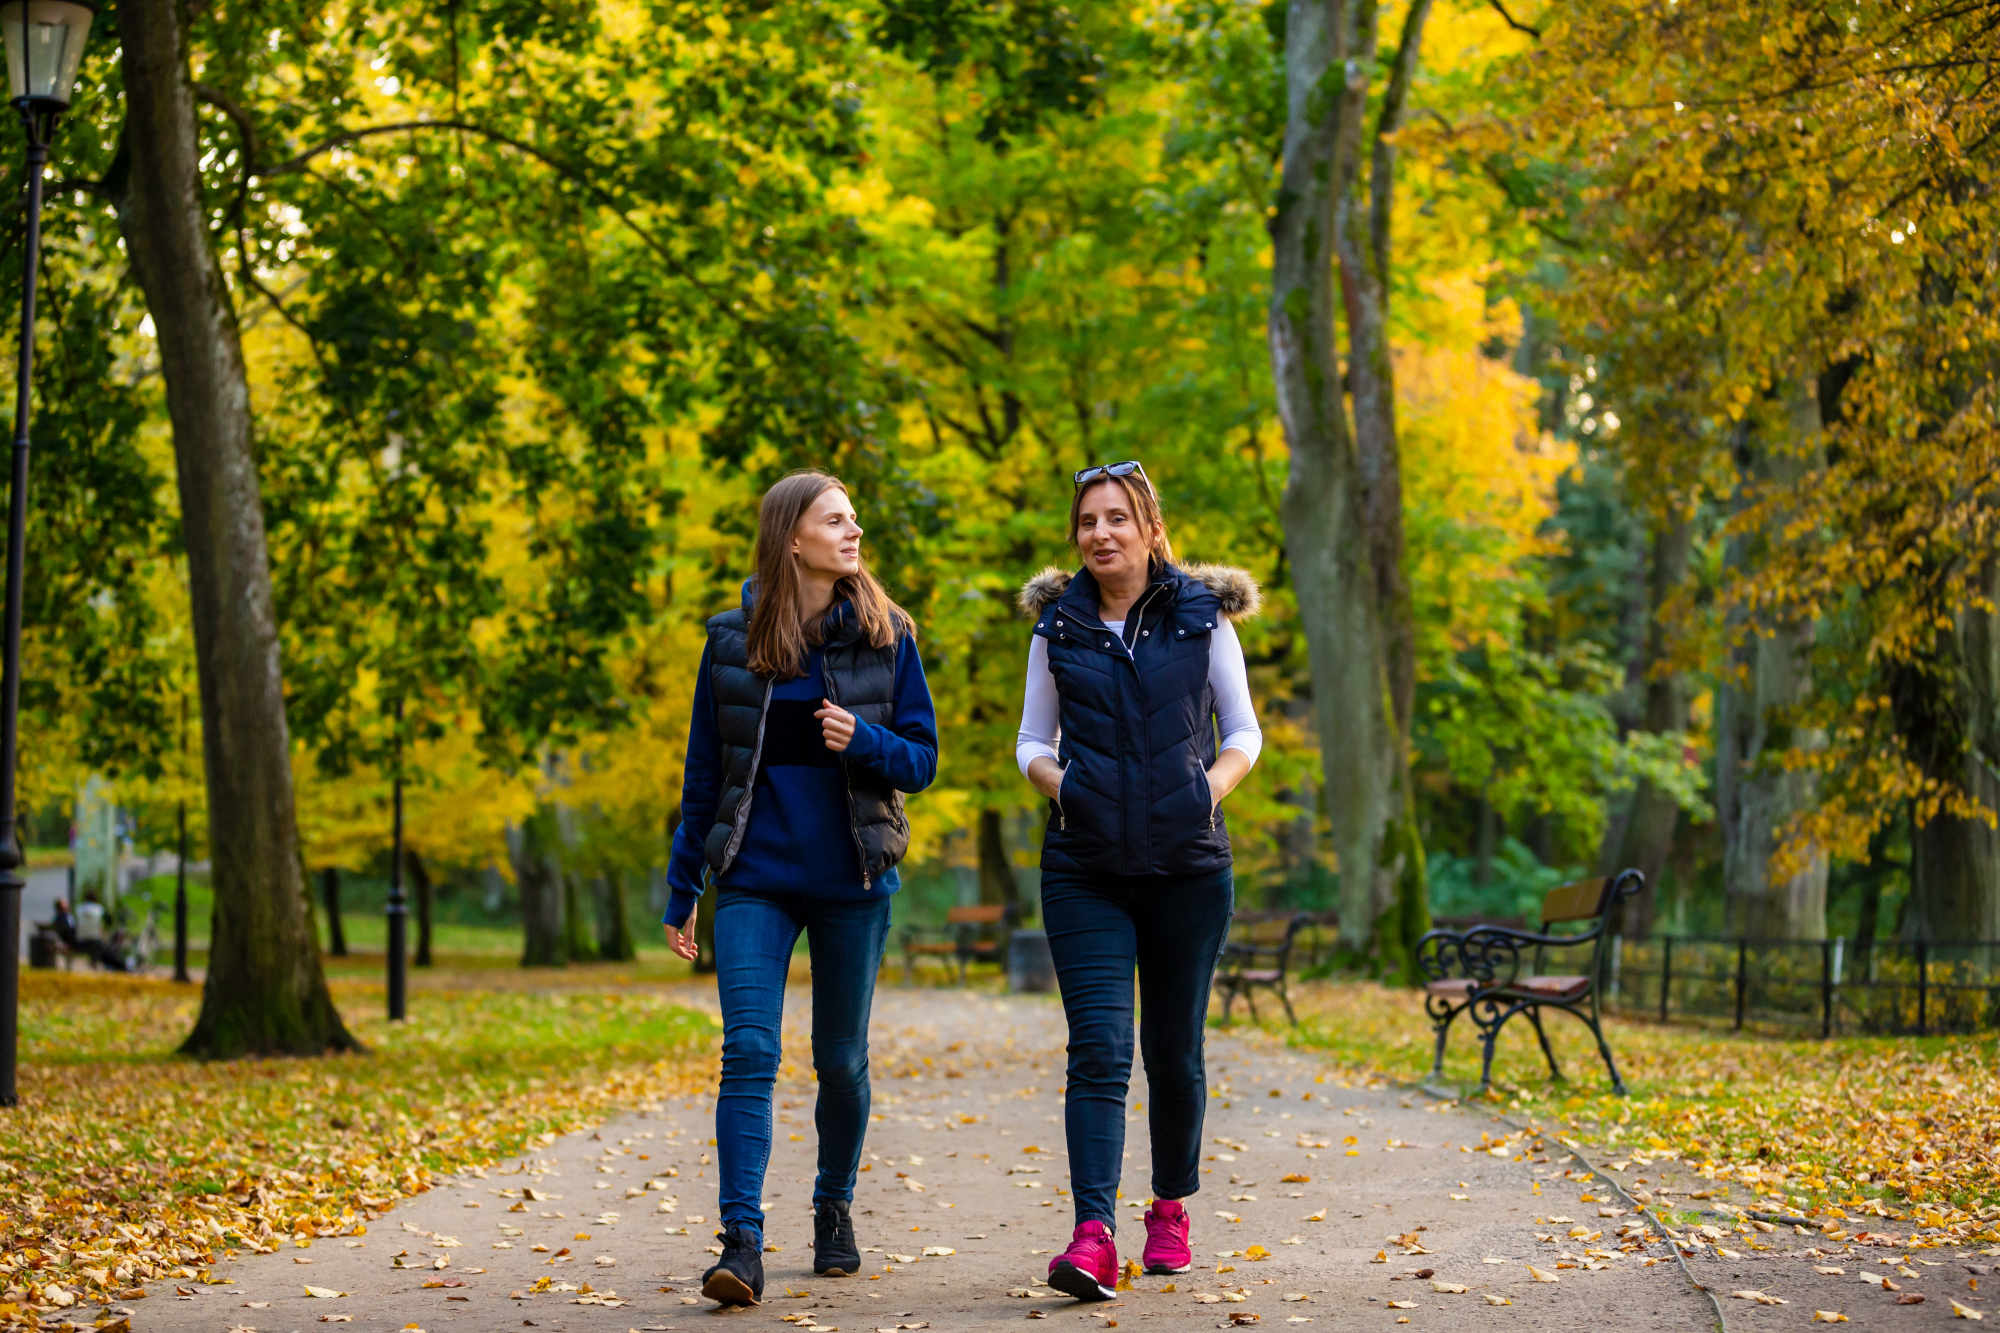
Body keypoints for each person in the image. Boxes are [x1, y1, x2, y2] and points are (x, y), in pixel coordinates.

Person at [663, 470, 939, 1308]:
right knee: (748, 1050)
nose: (854, 531)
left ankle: (832, 1206)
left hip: (854, 880)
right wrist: (685, 887)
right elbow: (705, 775)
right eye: (836, 519)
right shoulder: (730, 641)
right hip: (755, 880)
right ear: (793, 538)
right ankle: (740, 1241)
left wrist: (865, 740)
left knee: (841, 1061)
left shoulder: (890, 636)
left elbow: (922, 760)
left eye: (855, 518)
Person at [1014, 459, 1262, 1301]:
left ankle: (1169, 1208)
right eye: (1088, 521)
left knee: (1173, 1051)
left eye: (1118, 517)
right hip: (1084, 867)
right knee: (1100, 1049)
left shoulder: (1203, 615)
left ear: (1151, 528)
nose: (1101, 533)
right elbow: (1030, 741)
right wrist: (1066, 786)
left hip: (1189, 870)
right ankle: (1092, 1234)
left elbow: (1246, 731)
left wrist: (1206, 791)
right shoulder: (1058, 625)